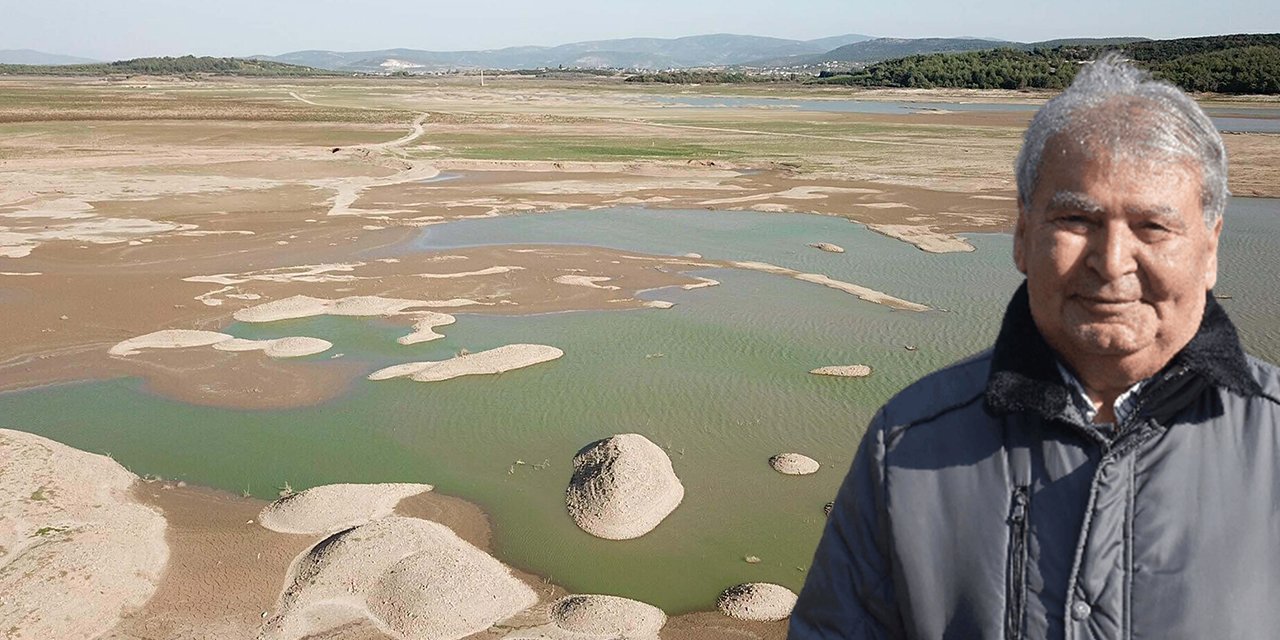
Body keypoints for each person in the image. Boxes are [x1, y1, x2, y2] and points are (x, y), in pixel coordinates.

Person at [789, 55, 1280, 639]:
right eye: (1076, 219)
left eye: (1153, 226)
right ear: (1023, 235)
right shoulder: (907, 444)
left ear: (1210, 247)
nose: (1112, 261)